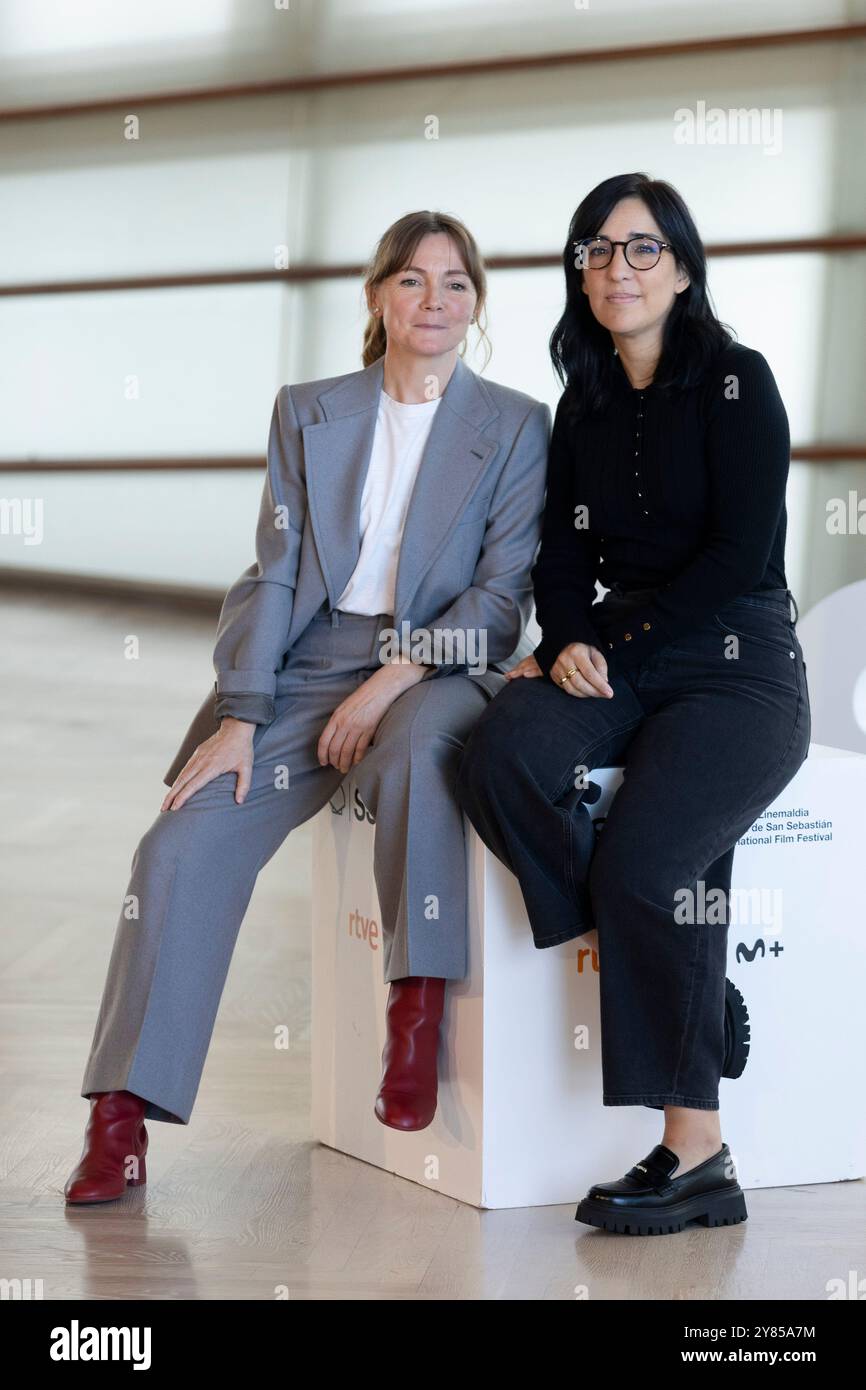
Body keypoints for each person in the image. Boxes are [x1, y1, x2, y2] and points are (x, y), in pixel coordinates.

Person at [64, 210, 551, 1203]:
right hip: (303, 668)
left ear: (476, 305)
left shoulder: (514, 425)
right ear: (376, 296)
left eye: (455, 282)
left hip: (436, 669)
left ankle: (412, 1020)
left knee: (418, 757)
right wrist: (243, 709)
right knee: (176, 846)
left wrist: (393, 675)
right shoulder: (307, 411)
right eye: (411, 280)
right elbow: (275, 575)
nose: (433, 300)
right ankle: (120, 1116)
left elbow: (500, 602)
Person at [455, 172, 811, 1236]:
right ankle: (669, 981)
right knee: (499, 752)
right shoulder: (587, 401)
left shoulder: (738, 381)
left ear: (684, 267)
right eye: (596, 251)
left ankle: (696, 1154)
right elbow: (561, 551)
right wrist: (565, 637)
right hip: (620, 644)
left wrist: (614, 637)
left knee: (651, 863)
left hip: (737, 657)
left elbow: (734, 553)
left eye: (641, 248)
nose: (617, 268)